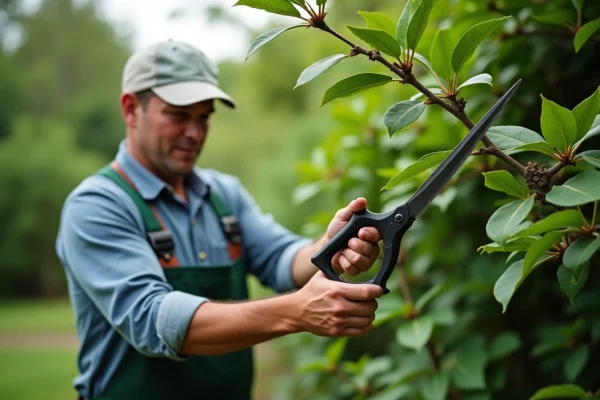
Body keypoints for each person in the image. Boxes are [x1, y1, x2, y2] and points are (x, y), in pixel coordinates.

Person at [56, 40, 383, 400]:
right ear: (131, 109)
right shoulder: (97, 206)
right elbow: (154, 319)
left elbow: (279, 258)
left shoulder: (223, 194)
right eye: (179, 116)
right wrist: (295, 312)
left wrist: (330, 246)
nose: (194, 133)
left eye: (204, 117)